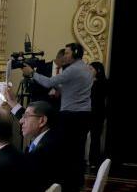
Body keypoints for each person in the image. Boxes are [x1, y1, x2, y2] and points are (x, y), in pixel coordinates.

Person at [4, 91, 84, 192]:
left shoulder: (46, 149)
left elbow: (26, 180)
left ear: (42, 121)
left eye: (26, 117)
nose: (21, 121)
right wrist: (13, 104)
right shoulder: (51, 137)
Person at [20, 42, 93, 183]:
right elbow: (74, 88)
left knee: (67, 148)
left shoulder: (72, 69)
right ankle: (77, 179)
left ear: (75, 53)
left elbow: (49, 82)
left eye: (67, 53)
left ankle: (66, 179)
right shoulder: (86, 69)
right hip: (84, 114)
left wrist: (32, 73)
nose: (64, 55)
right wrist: (60, 89)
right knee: (78, 149)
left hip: (71, 114)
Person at [88, 61, 108, 168]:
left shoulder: (103, 83)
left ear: (98, 70)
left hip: (97, 114)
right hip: (86, 112)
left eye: (91, 69)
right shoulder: (87, 82)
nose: (88, 71)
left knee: (95, 138)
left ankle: (94, 161)